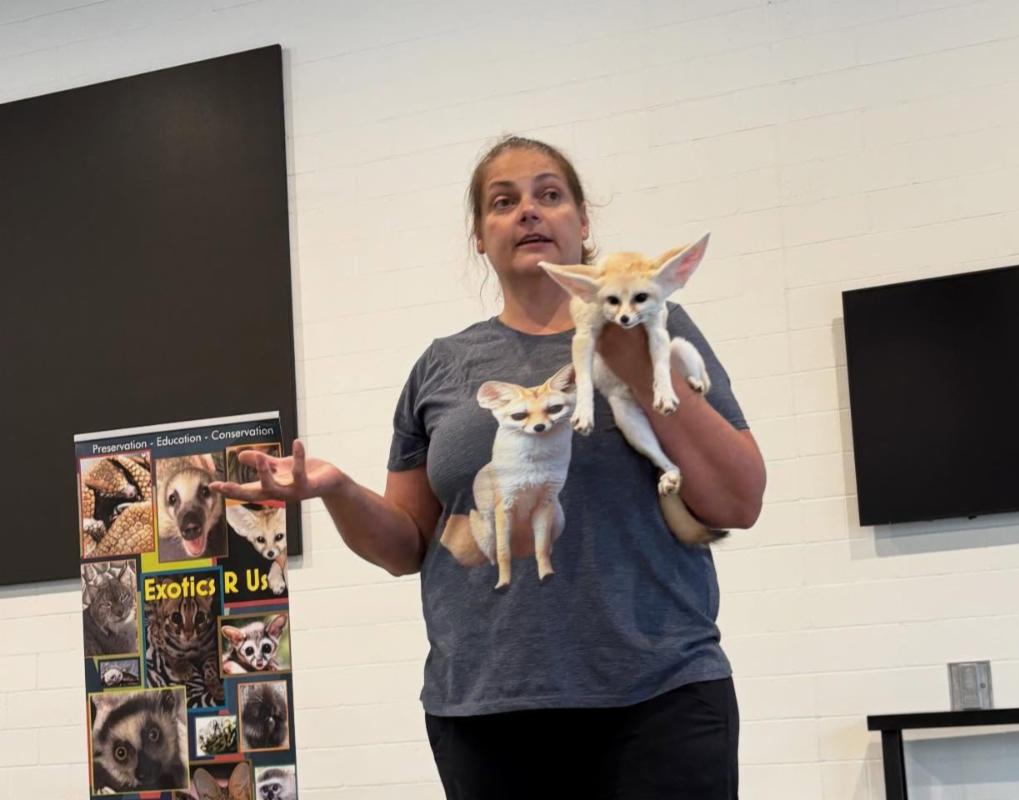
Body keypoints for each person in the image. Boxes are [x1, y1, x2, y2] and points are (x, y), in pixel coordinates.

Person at [213, 135, 767, 799]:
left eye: (549, 194)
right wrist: (336, 490)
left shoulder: (654, 326)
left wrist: (635, 366)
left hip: (659, 696)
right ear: (480, 235)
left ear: (582, 222)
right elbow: (406, 547)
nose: (528, 211)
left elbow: (739, 501)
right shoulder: (441, 367)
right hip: (485, 707)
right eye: (503, 202)